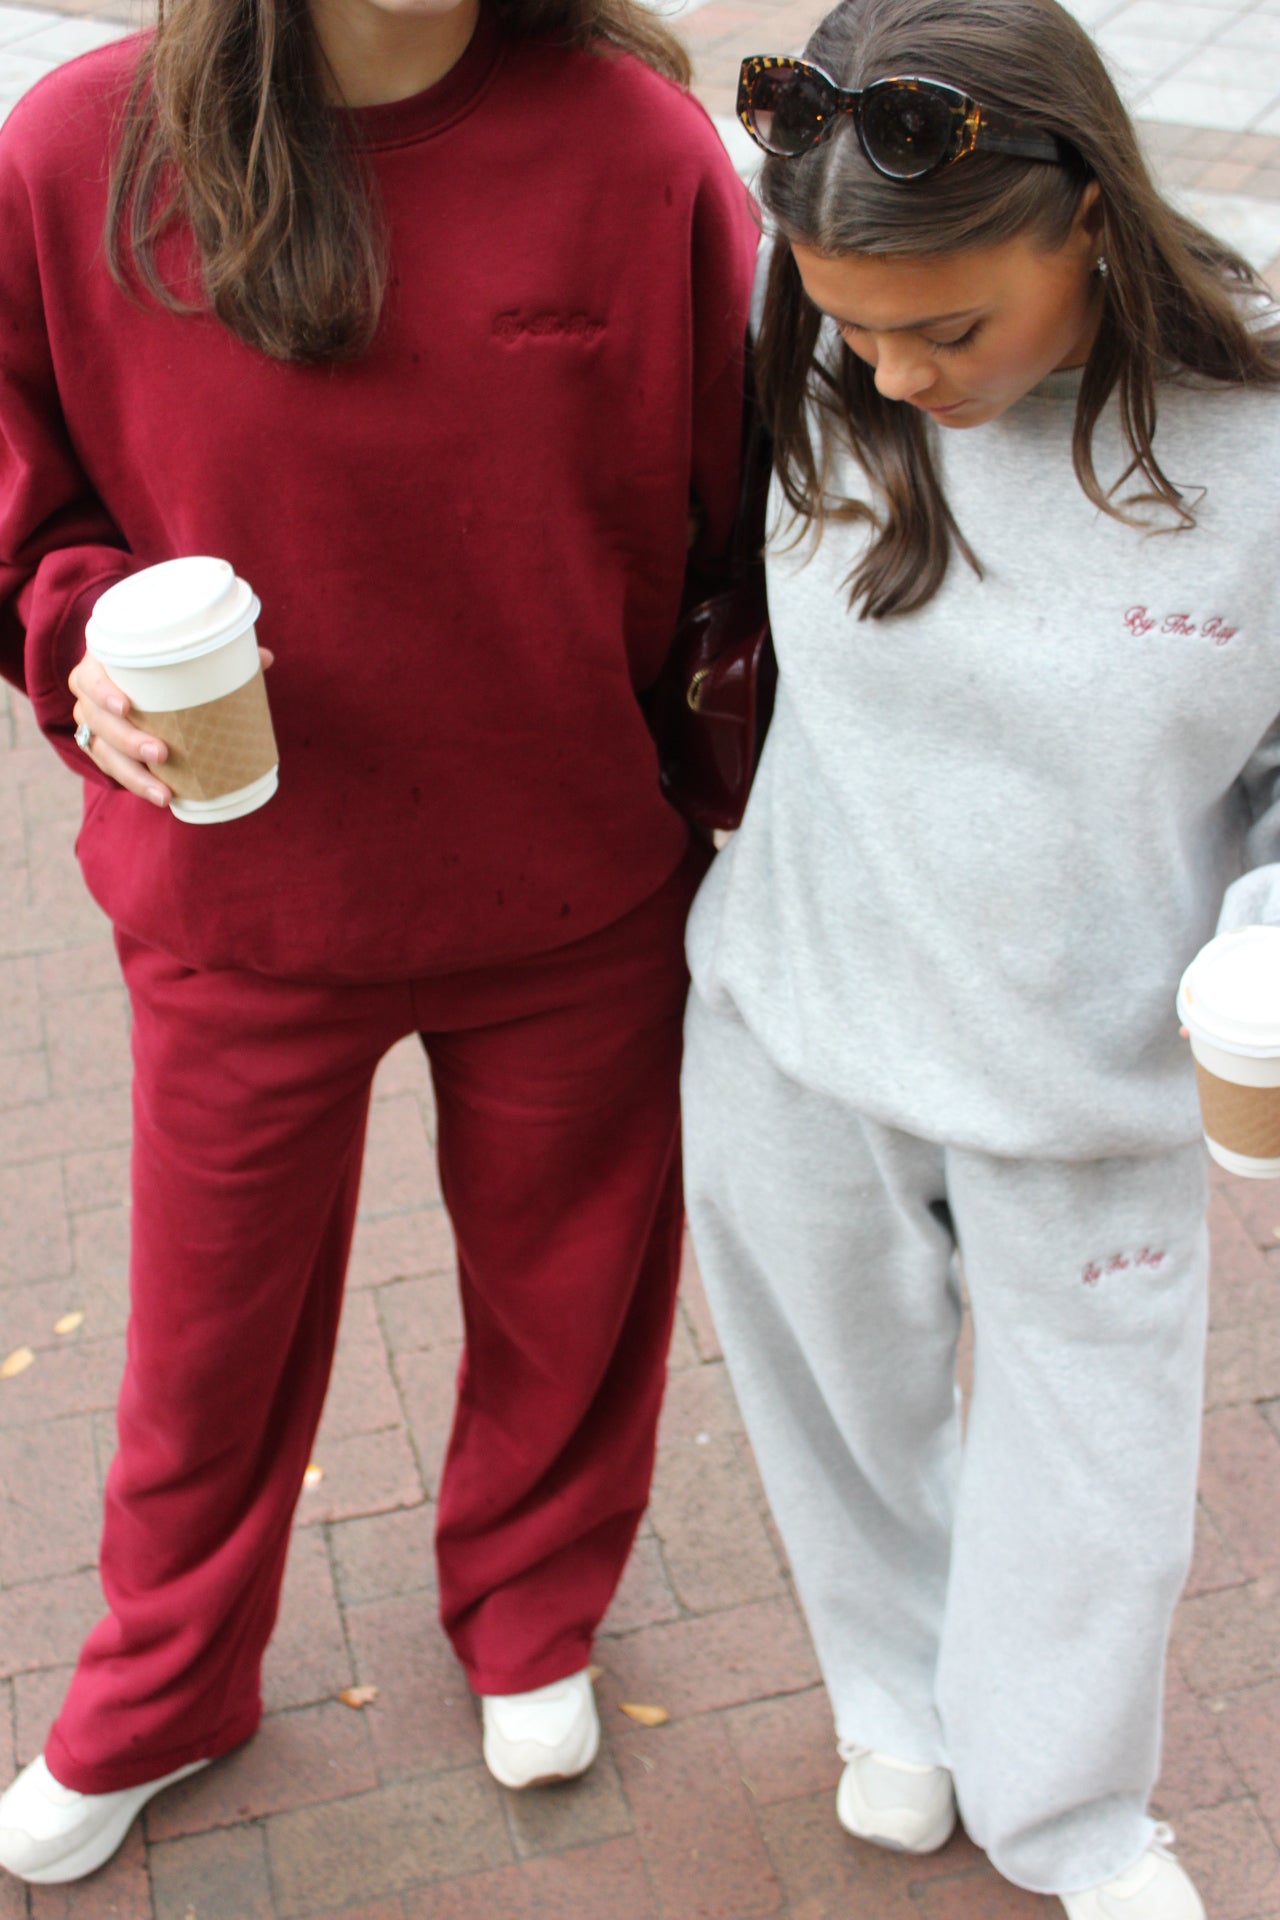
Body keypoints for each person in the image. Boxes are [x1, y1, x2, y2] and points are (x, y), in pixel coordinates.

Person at [0, 0, 756, 1886]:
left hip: (578, 876)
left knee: (574, 1295)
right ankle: (165, 1684)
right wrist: (78, 637)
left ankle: (531, 1614)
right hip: (239, 896)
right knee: (205, 1338)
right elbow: (28, 495)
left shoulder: (639, 149)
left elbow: (749, 511)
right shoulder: (79, 151)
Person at [680, 3, 1280, 1916]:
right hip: (793, 1026)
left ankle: (1076, 1814)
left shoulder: (1262, 442)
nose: (893, 372)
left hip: (1090, 1085)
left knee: (1096, 1491)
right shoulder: (819, 353)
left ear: (1089, 216)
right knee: (841, 1429)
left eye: (947, 326)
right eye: (853, 324)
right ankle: (899, 1704)